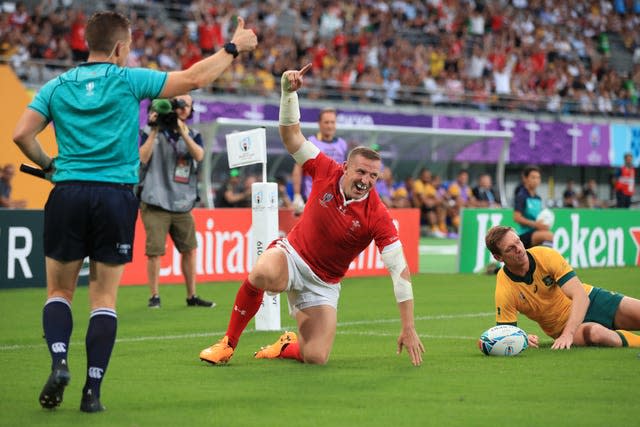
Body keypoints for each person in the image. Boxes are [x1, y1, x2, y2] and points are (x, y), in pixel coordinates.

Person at [12, 10, 256, 412]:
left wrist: (51, 165)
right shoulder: (129, 79)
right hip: (114, 197)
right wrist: (234, 48)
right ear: (122, 47)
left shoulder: (55, 86)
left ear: (87, 42)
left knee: (59, 292)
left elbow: (21, 134)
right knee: (104, 297)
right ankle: (92, 392)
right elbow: (195, 78)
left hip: (68, 193)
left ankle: (59, 362)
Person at [199, 64, 424, 367]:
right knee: (265, 274)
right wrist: (288, 94)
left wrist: (408, 327)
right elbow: (291, 136)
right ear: (345, 167)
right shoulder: (324, 168)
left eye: (373, 176)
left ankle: (285, 346)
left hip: (324, 283)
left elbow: (400, 271)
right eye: (361, 172)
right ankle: (227, 344)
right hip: (292, 255)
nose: (366, 181)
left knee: (316, 358)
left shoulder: (377, 214)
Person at [485, 225, 640, 349]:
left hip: (593, 299)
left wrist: (568, 334)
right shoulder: (504, 287)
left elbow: (581, 297)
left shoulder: (546, 256)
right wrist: (523, 337)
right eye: (510, 248)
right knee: (597, 334)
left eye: (518, 241)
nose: (519, 249)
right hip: (562, 327)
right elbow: (505, 333)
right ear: (498, 257)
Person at [139, 94, 214, 309]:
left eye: (185, 105)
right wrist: (154, 128)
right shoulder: (151, 130)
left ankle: (192, 296)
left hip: (182, 202)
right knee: (155, 252)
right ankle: (154, 296)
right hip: (155, 201)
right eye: (177, 104)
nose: (181, 108)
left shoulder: (194, 134)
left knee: (189, 249)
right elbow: (142, 158)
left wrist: (182, 130)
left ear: (190, 110)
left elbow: (199, 156)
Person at [290, 107, 348, 214]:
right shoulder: (310, 143)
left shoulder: (342, 144)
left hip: (336, 198)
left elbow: (346, 172)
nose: (329, 126)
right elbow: (298, 169)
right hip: (312, 197)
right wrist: (297, 195)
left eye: (332, 122)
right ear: (319, 123)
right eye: (326, 122)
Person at [513, 165, 553, 249]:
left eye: (538, 178)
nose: (536, 180)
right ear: (525, 178)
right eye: (533, 177)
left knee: (547, 234)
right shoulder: (521, 196)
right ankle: (547, 260)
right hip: (524, 234)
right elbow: (517, 217)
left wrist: (543, 224)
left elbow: (538, 217)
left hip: (535, 233)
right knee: (548, 236)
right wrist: (536, 224)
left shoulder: (538, 198)